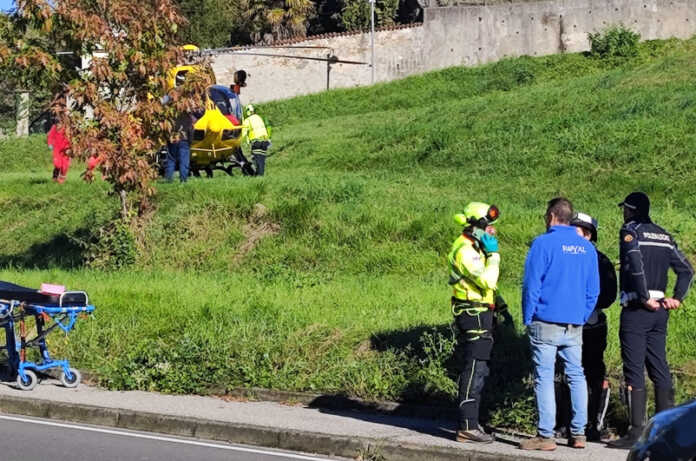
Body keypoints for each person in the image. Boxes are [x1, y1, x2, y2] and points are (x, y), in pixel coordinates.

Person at [608, 192, 694, 449]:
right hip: (660, 312)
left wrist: (644, 296)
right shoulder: (664, 235)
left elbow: (634, 264)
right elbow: (687, 270)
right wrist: (677, 297)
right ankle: (665, 432)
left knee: (634, 369)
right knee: (660, 368)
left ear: (631, 210)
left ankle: (636, 431)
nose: (623, 212)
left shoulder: (630, 231)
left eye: (625, 209)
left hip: (638, 308)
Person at [520, 198, 599, 451]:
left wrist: (527, 317)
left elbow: (532, 285)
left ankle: (546, 436)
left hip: (545, 320)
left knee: (544, 376)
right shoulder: (587, 249)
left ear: (552, 216)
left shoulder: (543, 243)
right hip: (574, 323)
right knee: (576, 375)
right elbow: (593, 290)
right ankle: (579, 433)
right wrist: (582, 315)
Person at [555, 212, 617, 441]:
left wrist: (586, 302)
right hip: (564, 321)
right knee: (564, 371)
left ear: (589, 235)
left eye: (577, 230)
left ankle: (593, 424)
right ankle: (564, 422)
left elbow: (610, 294)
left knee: (592, 372)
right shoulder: (561, 255)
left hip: (592, 323)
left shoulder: (601, 260)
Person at [448, 202, 505, 444]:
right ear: (474, 227)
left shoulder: (476, 247)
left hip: (482, 312)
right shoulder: (465, 250)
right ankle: (467, 426)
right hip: (472, 314)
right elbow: (487, 281)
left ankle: (472, 422)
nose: (491, 230)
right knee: (474, 367)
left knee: (481, 367)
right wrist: (494, 255)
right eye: (487, 226)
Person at [241, 104, 271, 176]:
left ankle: (259, 177)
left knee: (257, 160)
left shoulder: (247, 120)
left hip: (256, 142)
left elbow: (243, 133)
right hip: (265, 141)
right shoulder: (258, 117)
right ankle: (261, 176)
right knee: (262, 160)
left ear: (247, 112)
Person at [165, 112, 193, 183]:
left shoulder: (170, 116)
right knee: (184, 162)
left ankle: (169, 179)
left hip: (172, 140)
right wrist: (190, 142)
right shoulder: (187, 117)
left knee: (171, 160)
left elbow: (166, 129)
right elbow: (190, 130)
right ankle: (183, 180)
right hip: (184, 140)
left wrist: (168, 140)